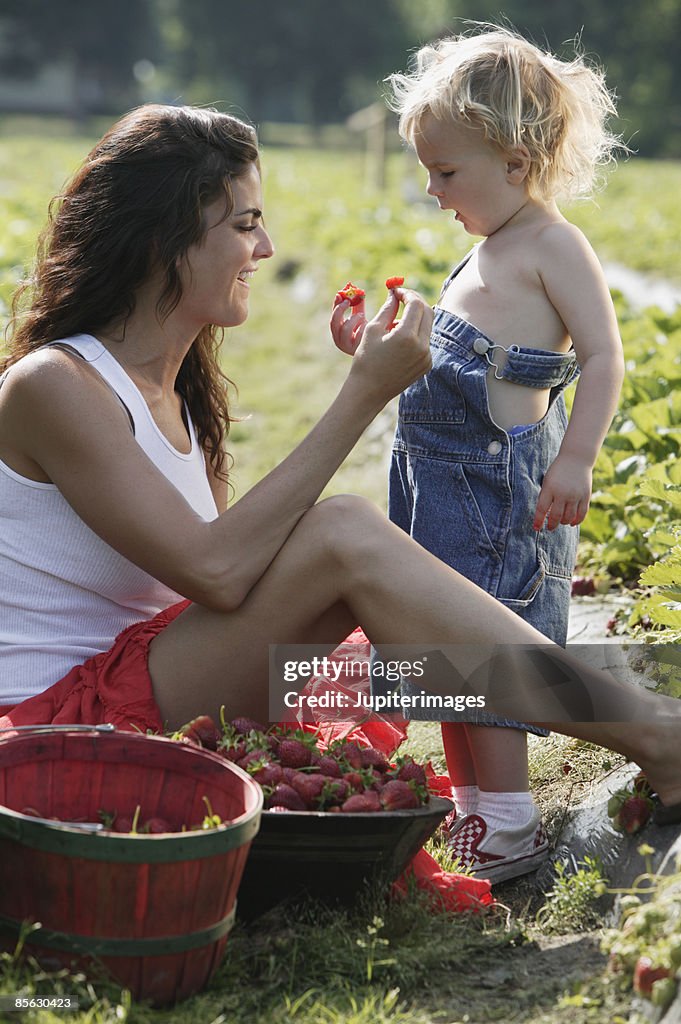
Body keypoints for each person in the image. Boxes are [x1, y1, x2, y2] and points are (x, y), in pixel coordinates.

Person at [0, 103, 680, 842]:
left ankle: (558, 765)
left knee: (377, 599)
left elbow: (238, 571)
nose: (264, 248)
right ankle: (649, 734)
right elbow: (217, 573)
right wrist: (364, 393)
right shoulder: (54, 384)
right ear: (163, 240)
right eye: (243, 224)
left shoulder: (182, 394)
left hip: (163, 675)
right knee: (344, 535)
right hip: (69, 724)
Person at [330, 26, 626, 882]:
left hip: (500, 498)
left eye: (445, 172)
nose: (430, 190)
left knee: (487, 660)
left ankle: (509, 823)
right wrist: (370, 344)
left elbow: (605, 356)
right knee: (442, 658)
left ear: (517, 158)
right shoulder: (488, 246)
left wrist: (576, 460)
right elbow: (442, 360)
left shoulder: (552, 247)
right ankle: (474, 810)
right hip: (435, 494)